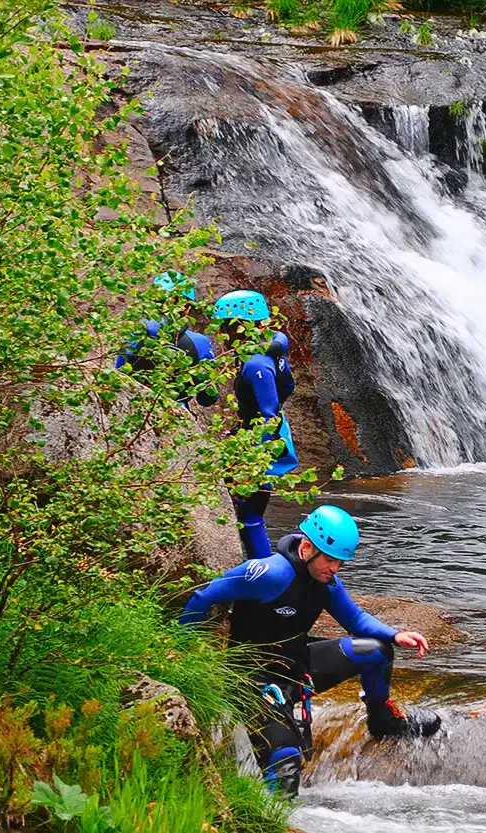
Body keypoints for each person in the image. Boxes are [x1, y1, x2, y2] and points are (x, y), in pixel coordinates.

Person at [179, 505, 442, 797]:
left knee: (377, 651)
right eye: (330, 560)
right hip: (252, 680)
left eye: (340, 562)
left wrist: (396, 634)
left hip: (296, 665)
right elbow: (204, 596)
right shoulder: (269, 574)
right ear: (307, 547)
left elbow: (355, 619)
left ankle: (382, 720)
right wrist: (182, 650)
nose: (335, 569)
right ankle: (269, 815)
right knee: (285, 762)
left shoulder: (325, 582)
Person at [214, 289, 297, 560]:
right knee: (248, 513)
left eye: (225, 326)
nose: (222, 334)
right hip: (260, 436)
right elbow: (288, 388)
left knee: (251, 517)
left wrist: (254, 465)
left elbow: (268, 416)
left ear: (241, 326)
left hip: (264, 443)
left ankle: (260, 570)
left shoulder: (255, 364)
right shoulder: (270, 349)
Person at [116, 272, 218, 407]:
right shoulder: (200, 343)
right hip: (176, 412)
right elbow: (207, 398)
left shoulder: (132, 334)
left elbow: (119, 378)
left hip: (135, 407)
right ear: (186, 308)